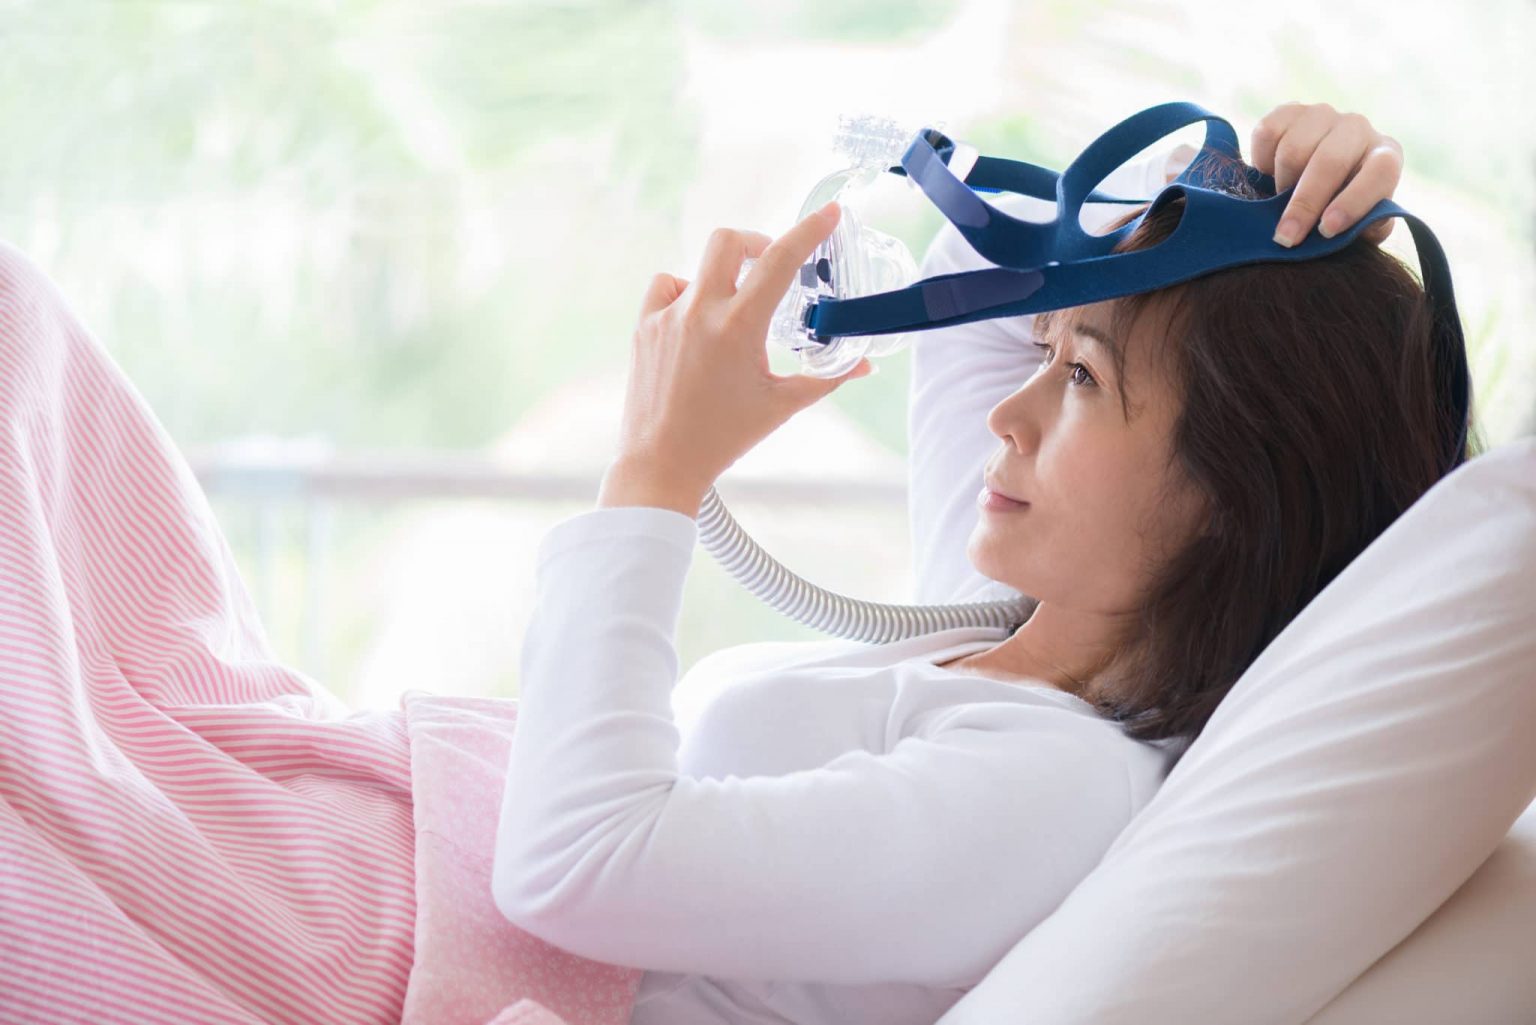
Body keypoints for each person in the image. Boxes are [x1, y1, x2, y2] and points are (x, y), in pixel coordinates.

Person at [491, 100, 1480, 1025]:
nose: (1010, 411)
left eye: (1082, 375)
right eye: (1043, 350)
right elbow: (981, 246)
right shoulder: (1005, 621)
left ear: (1238, 488)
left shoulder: (1055, 782)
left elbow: (574, 861)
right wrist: (1234, 189)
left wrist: (655, 469)